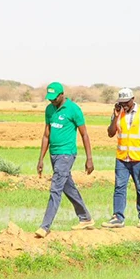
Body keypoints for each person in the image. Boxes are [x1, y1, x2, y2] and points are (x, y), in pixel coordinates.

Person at [35, 82, 96, 238]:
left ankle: (44, 226)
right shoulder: (49, 110)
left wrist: (89, 158)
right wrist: (41, 158)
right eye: (50, 98)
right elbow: (46, 135)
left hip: (67, 154)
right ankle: (86, 218)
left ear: (62, 94)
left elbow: (84, 134)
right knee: (68, 187)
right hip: (54, 154)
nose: (52, 101)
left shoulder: (73, 109)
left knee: (55, 188)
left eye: (54, 98)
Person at [102, 88, 140, 229]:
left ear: (133, 99)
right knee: (119, 187)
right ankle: (118, 217)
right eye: (121, 102)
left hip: (138, 158)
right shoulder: (119, 114)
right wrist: (116, 116)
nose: (124, 105)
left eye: (126, 102)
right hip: (122, 158)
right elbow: (111, 133)